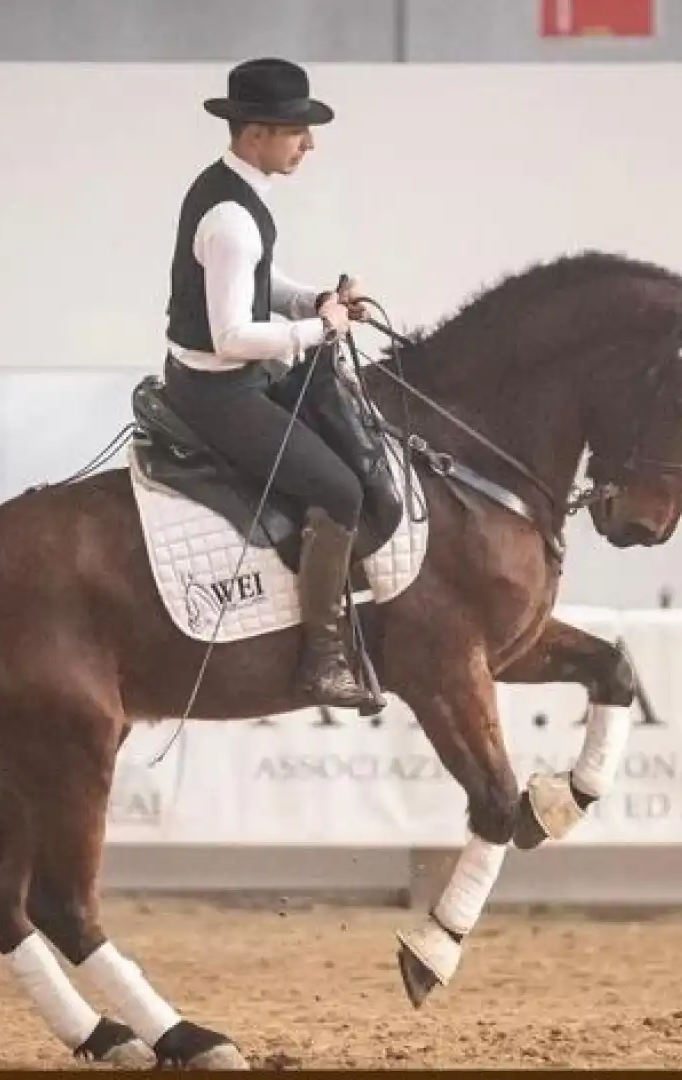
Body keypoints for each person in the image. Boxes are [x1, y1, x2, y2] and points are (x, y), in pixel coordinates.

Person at [159, 56, 378, 710]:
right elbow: (231, 336)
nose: (309, 144)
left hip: (231, 373)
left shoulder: (237, 193)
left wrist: (313, 301)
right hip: (217, 392)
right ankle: (323, 661)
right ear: (254, 132)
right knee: (341, 491)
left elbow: (259, 285)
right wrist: (322, 330)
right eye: (295, 132)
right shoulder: (231, 218)